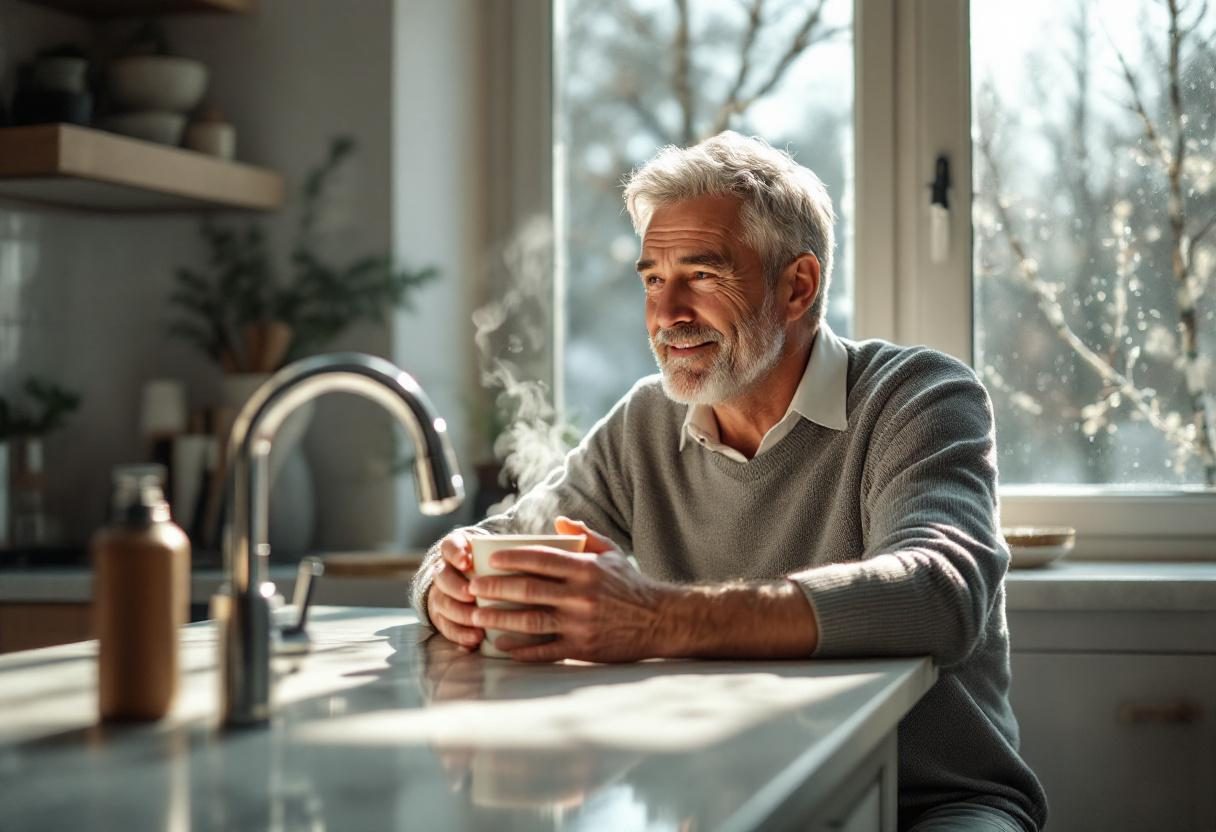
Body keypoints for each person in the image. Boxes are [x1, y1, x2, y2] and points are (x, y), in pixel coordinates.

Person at [410, 131, 1048, 831]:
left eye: (702, 275)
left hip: (925, 803)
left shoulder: (915, 396)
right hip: (710, 800)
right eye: (653, 278)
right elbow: (492, 541)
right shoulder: (647, 423)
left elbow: (938, 594)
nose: (666, 314)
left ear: (797, 285)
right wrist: (449, 584)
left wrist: (655, 618)